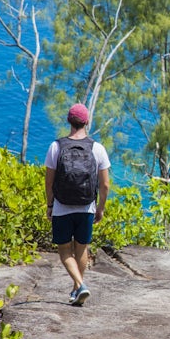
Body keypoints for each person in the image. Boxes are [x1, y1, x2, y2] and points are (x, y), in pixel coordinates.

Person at [44, 103, 110, 306]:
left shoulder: (56, 147)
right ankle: (78, 288)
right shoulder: (97, 148)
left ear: (69, 121)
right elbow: (105, 184)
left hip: (62, 206)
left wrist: (50, 205)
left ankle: (79, 287)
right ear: (86, 122)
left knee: (64, 251)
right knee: (82, 249)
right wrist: (100, 208)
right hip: (86, 207)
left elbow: (49, 181)